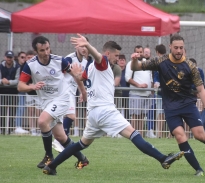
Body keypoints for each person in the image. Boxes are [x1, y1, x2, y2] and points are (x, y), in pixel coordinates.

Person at [42, 34, 184, 175]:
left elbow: (81, 77)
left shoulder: (91, 67)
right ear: (108, 53)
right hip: (105, 111)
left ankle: (52, 166)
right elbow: (98, 57)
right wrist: (87, 45)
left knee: (82, 143)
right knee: (134, 134)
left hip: (92, 114)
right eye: (116, 56)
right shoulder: (102, 61)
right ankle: (163, 158)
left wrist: (76, 74)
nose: (117, 59)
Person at [131, 34, 205, 176]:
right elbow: (137, 67)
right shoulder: (160, 61)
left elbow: (201, 90)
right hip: (170, 108)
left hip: (188, 105)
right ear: (170, 47)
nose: (178, 51)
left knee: (200, 135)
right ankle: (198, 169)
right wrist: (134, 60)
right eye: (176, 48)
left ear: (184, 49)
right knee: (180, 136)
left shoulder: (190, 66)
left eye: (181, 48)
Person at [18, 36, 89, 170]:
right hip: (46, 101)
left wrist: (83, 91)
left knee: (42, 121)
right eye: (42, 50)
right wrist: (32, 87)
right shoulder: (30, 65)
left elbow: (75, 75)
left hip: (62, 99)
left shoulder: (59, 61)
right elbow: (21, 86)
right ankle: (82, 158)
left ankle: (49, 156)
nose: (46, 53)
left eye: (47, 49)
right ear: (36, 51)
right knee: (61, 137)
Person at [52, 38, 89, 152]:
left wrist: (82, 91)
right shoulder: (69, 59)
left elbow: (79, 79)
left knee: (65, 117)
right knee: (71, 116)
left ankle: (60, 140)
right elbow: (60, 74)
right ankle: (59, 141)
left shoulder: (86, 62)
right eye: (81, 46)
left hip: (72, 92)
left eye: (85, 46)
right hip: (64, 91)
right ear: (76, 47)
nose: (84, 49)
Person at [125, 45, 154, 137]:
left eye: (141, 52)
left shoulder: (147, 62)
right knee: (135, 116)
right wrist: (139, 85)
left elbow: (150, 76)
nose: (139, 54)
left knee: (142, 116)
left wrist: (151, 88)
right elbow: (127, 78)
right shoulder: (130, 63)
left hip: (147, 94)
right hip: (136, 94)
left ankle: (140, 135)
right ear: (134, 52)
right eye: (137, 52)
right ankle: (134, 135)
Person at [0, 50, 20, 134]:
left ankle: (11, 130)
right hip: (2, 92)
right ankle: (2, 129)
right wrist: (2, 81)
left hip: (13, 92)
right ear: (5, 57)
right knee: (2, 112)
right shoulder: (0, 66)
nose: (9, 59)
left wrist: (8, 82)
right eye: (8, 57)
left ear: (13, 58)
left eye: (10, 57)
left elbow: (17, 80)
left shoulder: (17, 66)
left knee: (12, 111)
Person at [14, 51, 29, 134]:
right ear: (18, 58)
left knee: (22, 108)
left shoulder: (25, 66)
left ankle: (18, 126)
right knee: (19, 108)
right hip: (17, 91)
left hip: (24, 90)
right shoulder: (17, 67)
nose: (24, 59)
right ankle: (17, 126)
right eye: (22, 57)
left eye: (25, 57)